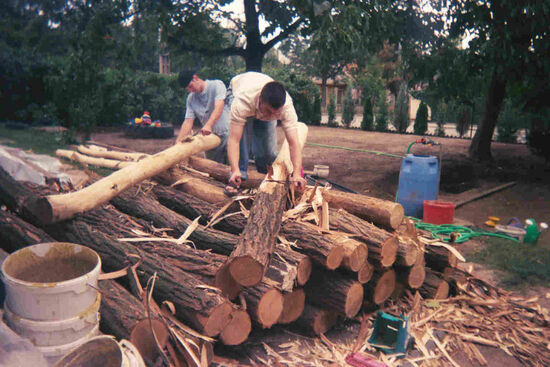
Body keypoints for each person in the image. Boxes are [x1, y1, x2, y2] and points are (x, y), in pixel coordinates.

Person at [226, 71, 306, 194]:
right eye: (269, 111)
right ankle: (237, 176)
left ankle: (266, 178)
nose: (272, 116)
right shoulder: (242, 101)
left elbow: (294, 143)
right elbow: (234, 140)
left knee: (268, 152)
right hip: (237, 89)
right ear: (260, 99)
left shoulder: (287, 108)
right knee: (243, 141)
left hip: (258, 100)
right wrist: (235, 169)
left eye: (276, 113)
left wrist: (296, 173)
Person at [176, 71, 230, 163]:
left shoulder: (217, 85)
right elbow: (188, 122)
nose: (190, 90)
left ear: (195, 77)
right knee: (213, 170)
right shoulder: (191, 99)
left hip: (228, 134)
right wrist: (178, 143)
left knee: (232, 169)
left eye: (190, 86)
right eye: (188, 89)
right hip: (210, 138)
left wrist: (208, 125)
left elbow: (219, 106)